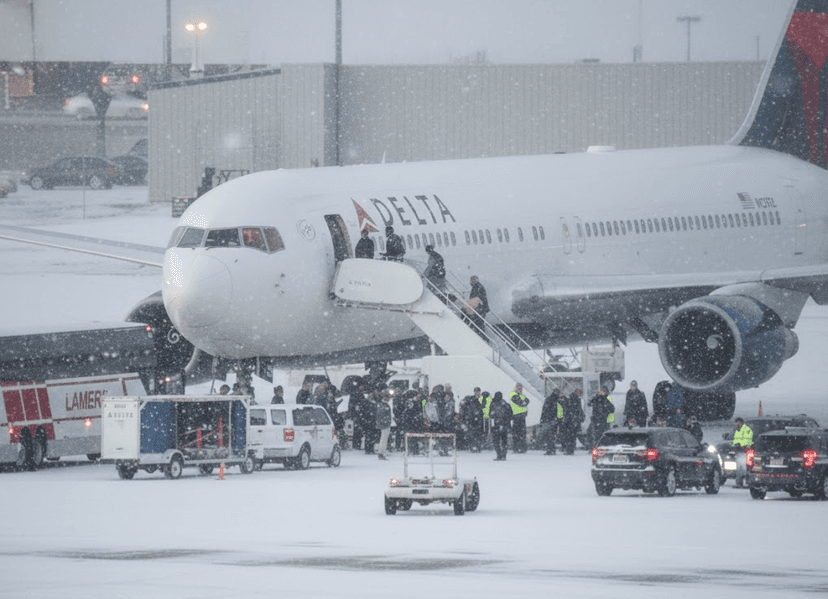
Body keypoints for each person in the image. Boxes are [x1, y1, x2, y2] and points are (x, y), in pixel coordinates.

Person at [560, 388, 585, 455]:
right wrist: (581, 417)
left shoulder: (571, 399)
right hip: (573, 421)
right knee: (572, 436)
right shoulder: (575, 400)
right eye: (580, 393)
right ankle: (570, 450)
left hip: (570, 420)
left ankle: (569, 449)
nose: (580, 395)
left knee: (569, 436)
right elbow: (578, 410)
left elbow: (568, 408)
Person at [732, 417, 754, 487]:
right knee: (740, 468)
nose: (736, 424)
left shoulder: (746, 430)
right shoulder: (736, 431)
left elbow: (748, 441)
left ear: (741, 423)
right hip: (739, 452)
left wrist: (740, 445)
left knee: (746, 468)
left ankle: (747, 481)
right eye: (736, 423)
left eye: (737, 423)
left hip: (746, 452)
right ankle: (739, 482)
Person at [539, 389, 563, 455]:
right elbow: (557, 410)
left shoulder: (550, 399)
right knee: (552, 435)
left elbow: (544, 410)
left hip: (549, 419)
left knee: (549, 435)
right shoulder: (557, 400)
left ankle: (550, 449)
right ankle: (551, 449)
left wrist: (542, 419)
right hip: (553, 420)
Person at [490, 391, 511, 461]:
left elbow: (491, 415)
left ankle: (499, 455)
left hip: (496, 425)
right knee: (504, 441)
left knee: (496, 441)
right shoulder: (505, 404)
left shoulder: (493, 404)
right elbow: (509, 415)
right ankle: (503, 455)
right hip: (503, 425)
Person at [509, 383, 530, 453]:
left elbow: (527, 401)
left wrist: (523, 403)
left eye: (521, 388)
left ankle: (522, 448)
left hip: (522, 416)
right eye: (518, 388)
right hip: (516, 416)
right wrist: (523, 402)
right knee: (516, 433)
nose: (520, 390)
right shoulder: (513, 394)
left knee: (522, 433)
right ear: (515, 388)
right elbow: (520, 402)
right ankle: (516, 447)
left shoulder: (522, 395)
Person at [376, 390, 393, 459]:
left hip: (384, 424)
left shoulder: (381, 405)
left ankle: (381, 452)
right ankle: (381, 453)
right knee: (384, 439)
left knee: (383, 439)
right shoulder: (384, 405)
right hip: (385, 425)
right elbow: (382, 416)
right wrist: (385, 423)